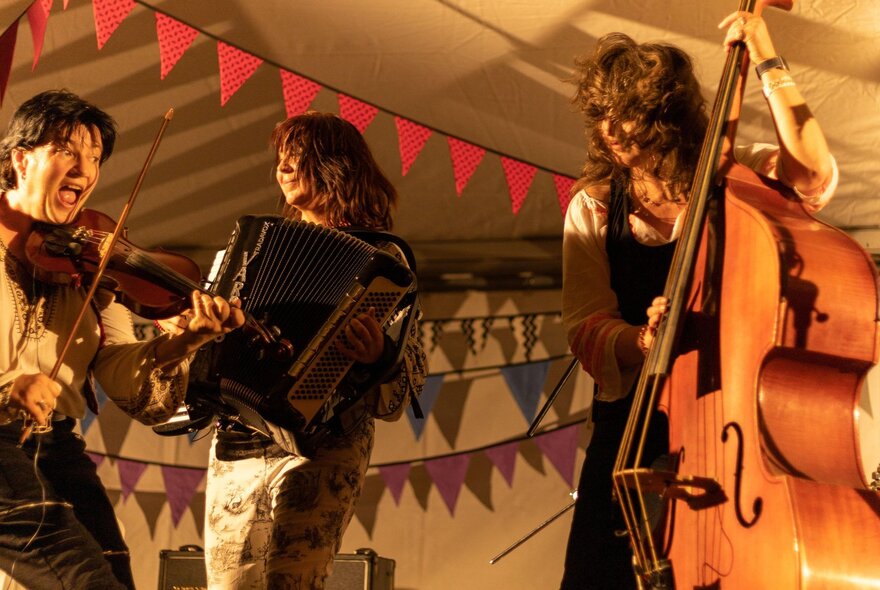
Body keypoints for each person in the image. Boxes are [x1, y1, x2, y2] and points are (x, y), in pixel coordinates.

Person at [559, 11, 837, 590]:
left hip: (725, 413)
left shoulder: (733, 174)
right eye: (602, 114)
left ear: (667, 114)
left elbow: (813, 176)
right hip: (635, 423)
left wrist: (764, 50)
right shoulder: (593, 206)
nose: (611, 129)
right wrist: (639, 338)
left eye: (627, 113)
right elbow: (585, 327)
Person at [0, 89, 244, 589]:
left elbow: (121, 376)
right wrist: (7, 388)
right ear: (21, 159)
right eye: (67, 151)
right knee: (78, 572)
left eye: (94, 158)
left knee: (111, 571)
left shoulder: (90, 258)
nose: (84, 171)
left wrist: (184, 342)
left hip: (55, 443)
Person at [197, 111, 427, 589]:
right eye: (281, 157)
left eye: (299, 156)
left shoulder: (384, 259)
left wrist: (379, 354)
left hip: (323, 445)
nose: (283, 167)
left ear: (336, 167)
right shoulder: (251, 248)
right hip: (239, 437)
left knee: (292, 583)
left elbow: (411, 371)